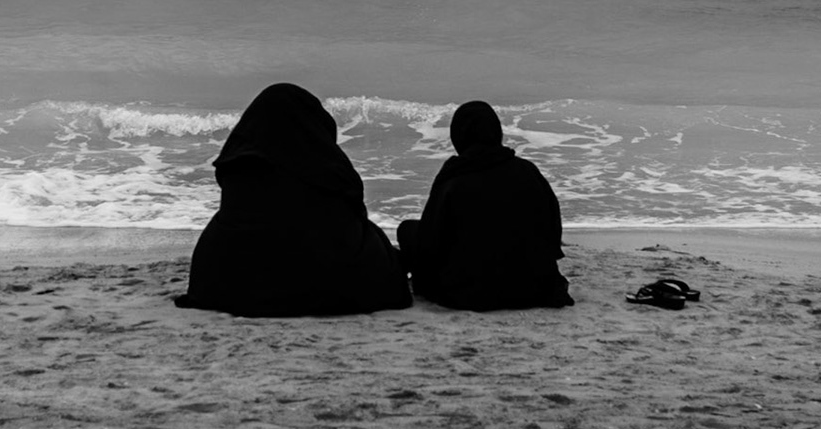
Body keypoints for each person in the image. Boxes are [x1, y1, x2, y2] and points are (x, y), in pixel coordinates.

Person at [175, 83, 411, 317]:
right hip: (319, 278)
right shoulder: (325, 167)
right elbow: (353, 215)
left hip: (229, 286)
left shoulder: (240, 165)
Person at [396, 101, 573, 310]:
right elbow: (553, 232)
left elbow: (430, 242)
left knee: (408, 230)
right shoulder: (528, 171)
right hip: (536, 287)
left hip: (471, 292)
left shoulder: (455, 177)